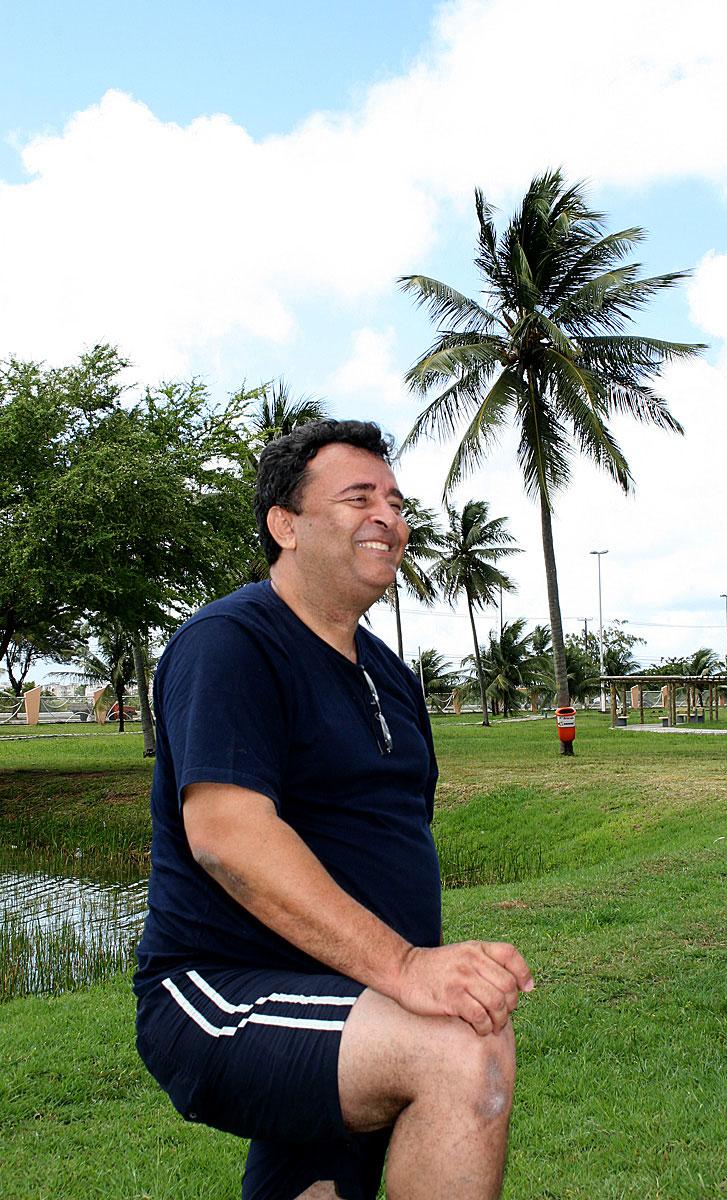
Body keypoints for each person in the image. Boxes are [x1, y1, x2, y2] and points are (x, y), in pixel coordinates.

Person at [134, 419, 533, 1200]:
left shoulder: (391, 675)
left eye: (396, 502)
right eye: (359, 498)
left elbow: (391, 835)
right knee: (458, 1049)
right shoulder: (231, 643)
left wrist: (421, 967)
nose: (389, 517)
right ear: (285, 525)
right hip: (218, 989)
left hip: (346, 991)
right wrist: (408, 968)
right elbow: (227, 836)